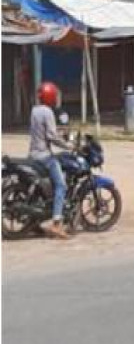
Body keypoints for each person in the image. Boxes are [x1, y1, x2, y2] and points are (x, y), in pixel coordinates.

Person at [28, 82, 72, 240]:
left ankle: (35, 222)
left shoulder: (34, 110)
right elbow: (52, 136)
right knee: (61, 185)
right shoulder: (47, 112)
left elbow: (43, 132)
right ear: (51, 96)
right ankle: (57, 223)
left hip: (32, 154)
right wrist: (67, 145)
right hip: (44, 156)